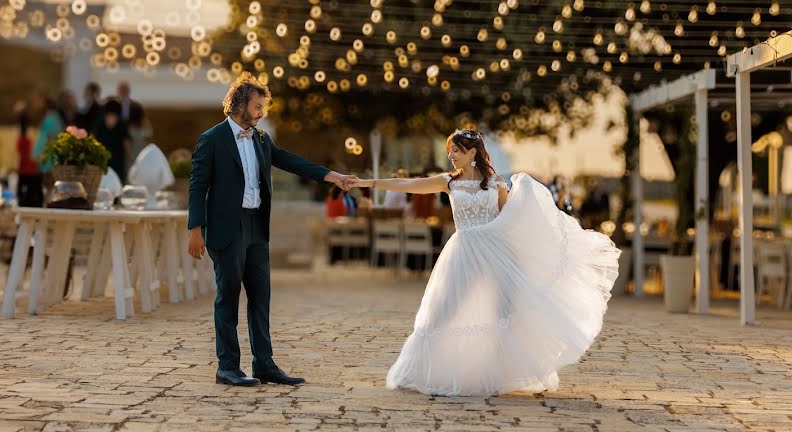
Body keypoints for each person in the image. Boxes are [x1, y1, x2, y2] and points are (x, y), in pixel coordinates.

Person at [353, 129, 620, 397]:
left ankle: (508, 375)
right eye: (450, 150)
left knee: (504, 314)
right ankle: (418, 372)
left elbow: (509, 221)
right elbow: (407, 184)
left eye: (456, 150)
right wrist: (367, 183)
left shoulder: (496, 183)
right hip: (463, 253)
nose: (451, 155)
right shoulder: (449, 182)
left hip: (496, 253)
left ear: (472, 153)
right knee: (443, 311)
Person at [186, 72, 358, 387]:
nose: (261, 112)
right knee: (228, 297)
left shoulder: (262, 139)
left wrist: (332, 176)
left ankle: (264, 365)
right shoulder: (211, 139)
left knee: (261, 298)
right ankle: (227, 368)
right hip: (227, 227)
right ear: (239, 104)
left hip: (255, 227)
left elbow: (292, 162)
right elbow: (197, 186)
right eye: (257, 106)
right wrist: (195, 228)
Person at [92, 98, 131, 181]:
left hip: (103, 161)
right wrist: (127, 158)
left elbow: (93, 141)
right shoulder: (121, 124)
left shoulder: (99, 123)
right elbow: (127, 144)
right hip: (118, 161)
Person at [13, 102, 42, 207]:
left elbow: (20, 155)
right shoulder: (30, 137)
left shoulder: (22, 139)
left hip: (26, 170)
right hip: (31, 169)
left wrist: (16, 167)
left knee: (24, 199)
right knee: (31, 198)